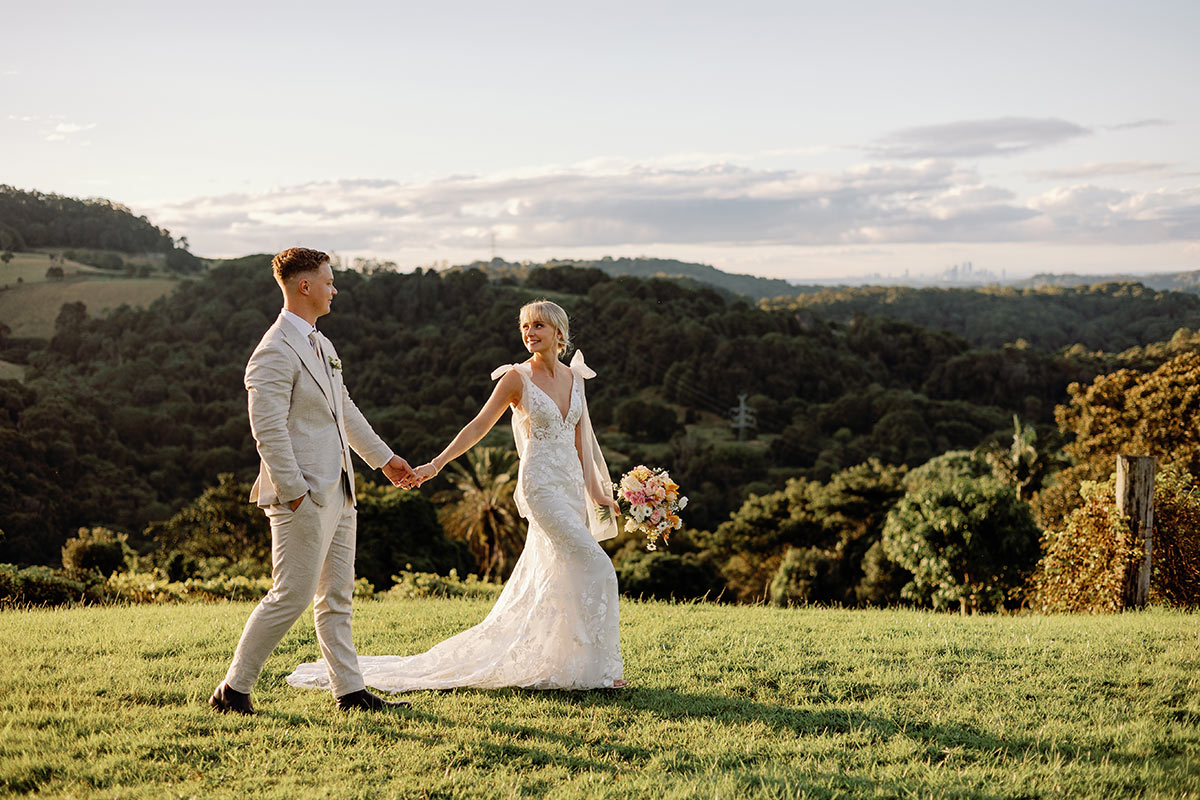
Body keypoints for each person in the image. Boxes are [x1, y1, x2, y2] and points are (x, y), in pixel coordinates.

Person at [285, 300, 627, 692]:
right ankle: (603, 672)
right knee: (597, 565)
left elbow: (582, 443)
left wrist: (599, 494)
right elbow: (478, 425)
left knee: (562, 573)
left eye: (538, 326)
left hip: (570, 489)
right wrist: (436, 463)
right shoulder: (517, 378)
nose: (529, 333)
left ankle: (574, 666)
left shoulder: (575, 378)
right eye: (525, 327)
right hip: (542, 488)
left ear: (558, 333)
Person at [209, 247, 418, 715]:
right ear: (305, 286)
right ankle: (233, 689)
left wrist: (384, 461)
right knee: (292, 595)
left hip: (340, 490)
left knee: (337, 597)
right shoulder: (273, 350)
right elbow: (268, 430)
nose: (334, 288)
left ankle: (349, 691)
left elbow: (345, 411)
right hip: (302, 495)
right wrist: (296, 492)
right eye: (328, 280)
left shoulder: (322, 344)